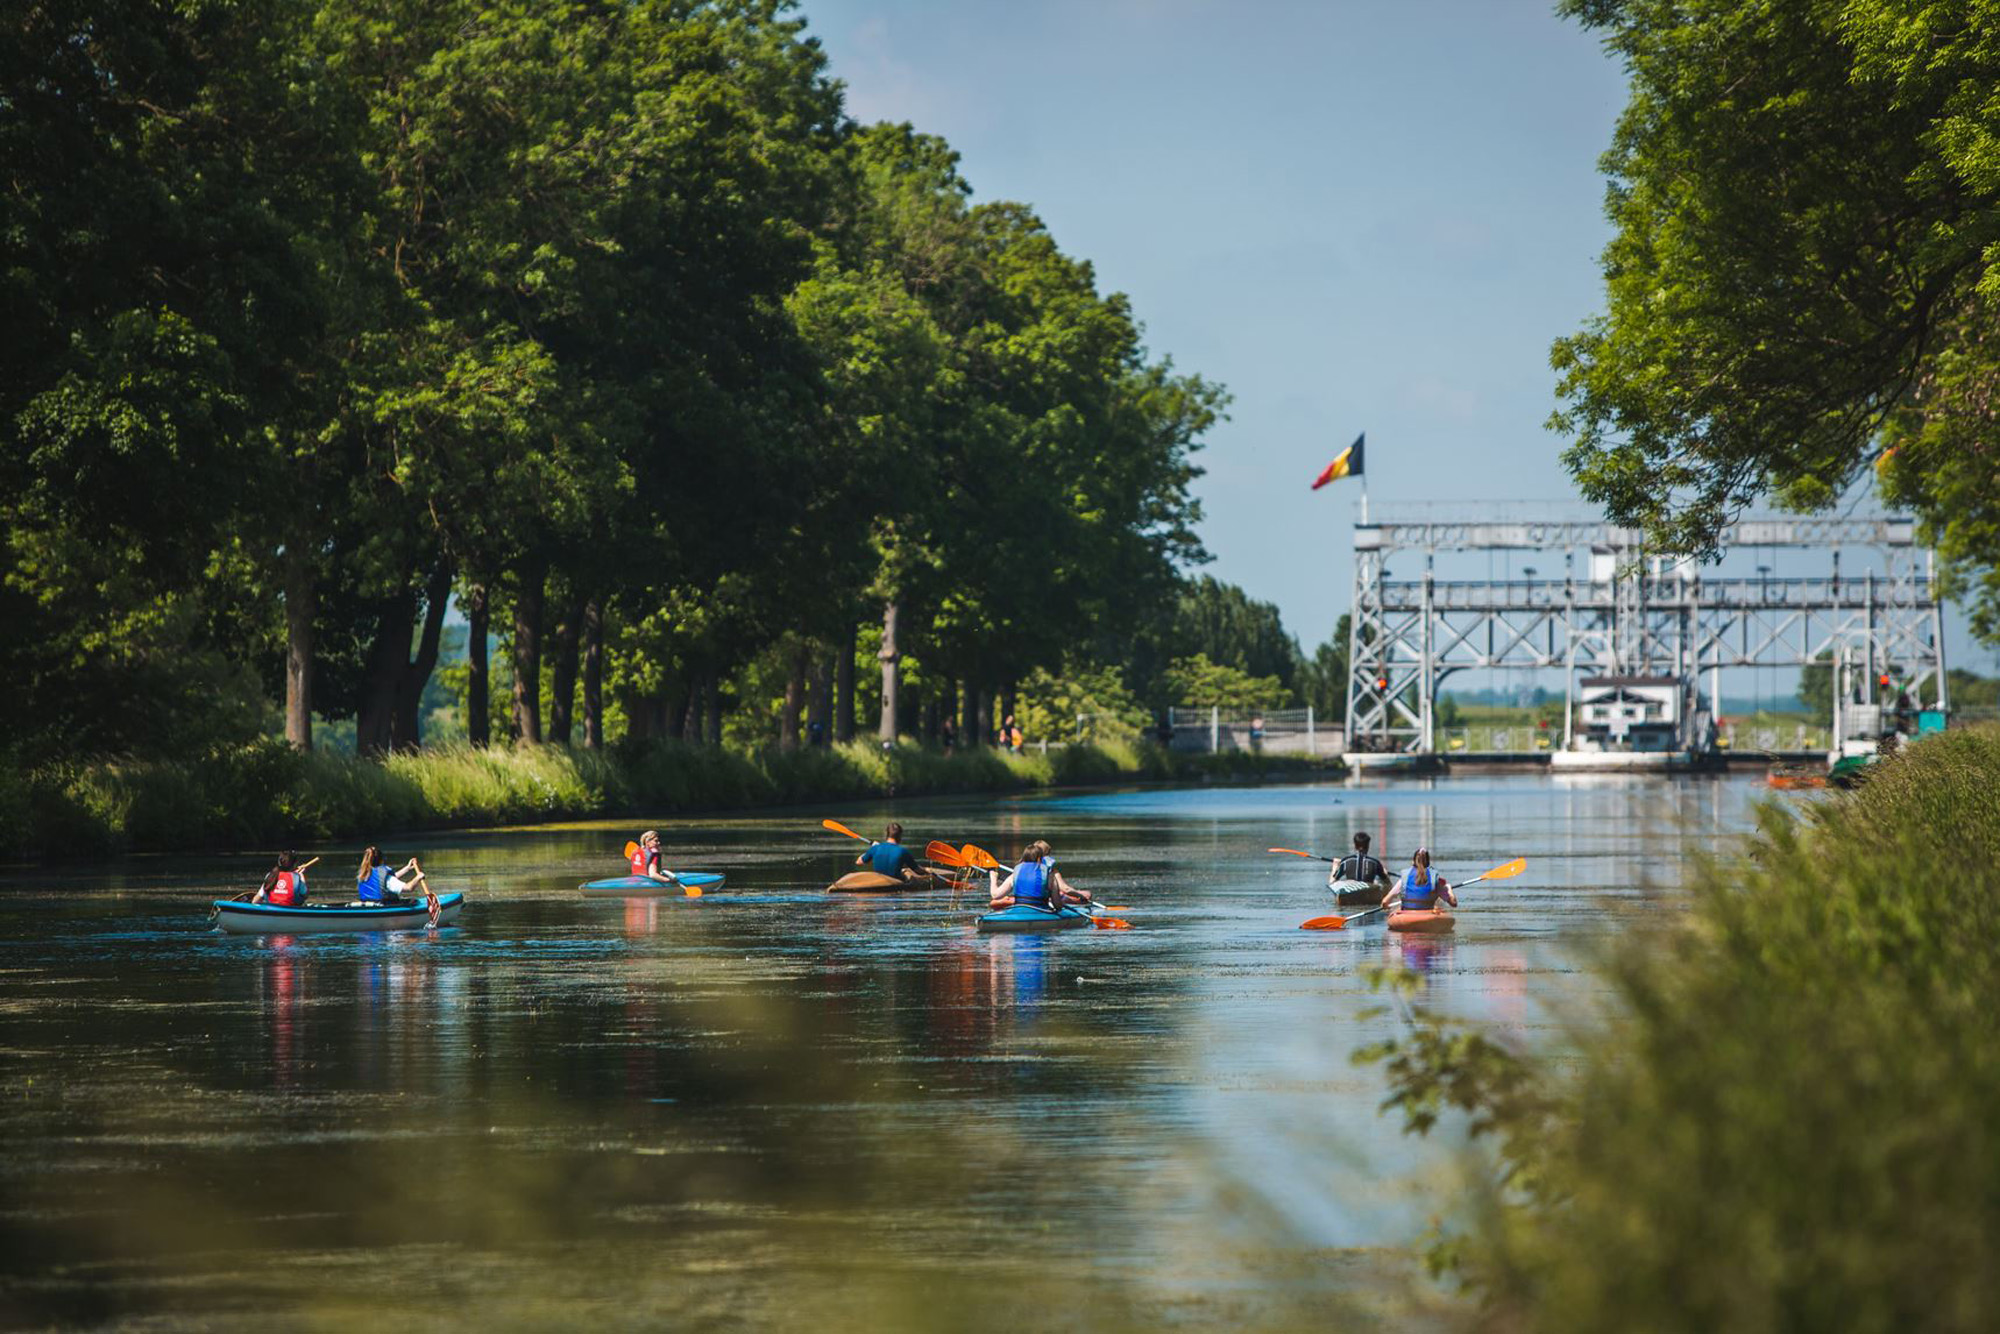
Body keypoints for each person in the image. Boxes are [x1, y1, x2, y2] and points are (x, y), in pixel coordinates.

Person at [988, 840, 1092, 910]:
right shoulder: (1049, 873)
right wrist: (1063, 908)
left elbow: (995, 895)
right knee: (1087, 894)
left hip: (1019, 906)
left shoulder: (1016, 872)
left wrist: (993, 878)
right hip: (1040, 908)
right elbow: (1059, 902)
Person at [1384, 847, 1456, 917]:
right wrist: (1448, 888)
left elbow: (1384, 902)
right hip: (1428, 914)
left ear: (1413, 862)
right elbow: (1453, 903)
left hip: (1407, 914)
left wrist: (1386, 907)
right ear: (1428, 862)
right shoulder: (1434, 878)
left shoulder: (1404, 878)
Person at [354, 846, 424, 904]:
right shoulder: (385, 877)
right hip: (382, 906)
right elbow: (409, 888)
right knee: (413, 901)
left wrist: (407, 868)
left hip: (367, 905)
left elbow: (385, 881)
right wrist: (418, 877)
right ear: (381, 860)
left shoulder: (363, 874)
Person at [855, 822, 923, 882]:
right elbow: (917, 870)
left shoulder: (875, 848)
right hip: (896, 882)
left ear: (886, 834)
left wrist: (873, 848)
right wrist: (928, 872)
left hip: (878, 881)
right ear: (900, 836)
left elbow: (858, 862)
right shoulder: (903, 851)